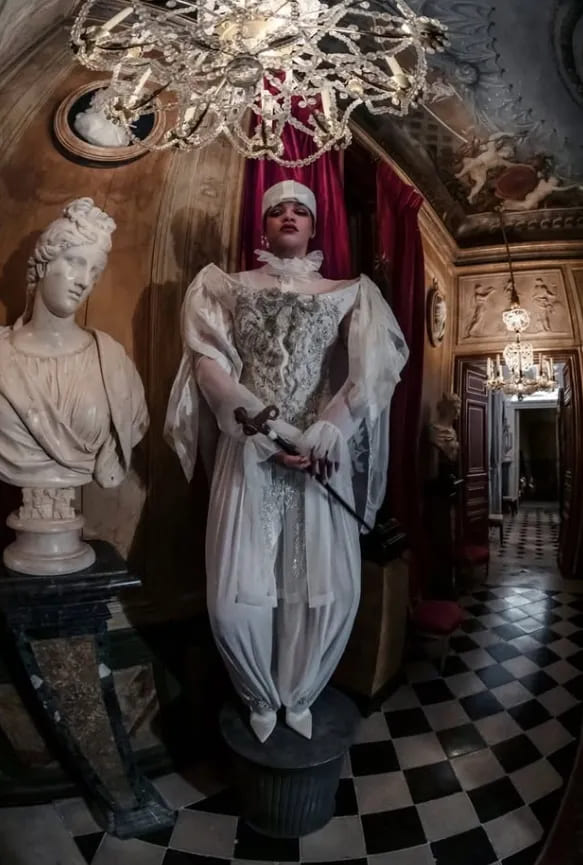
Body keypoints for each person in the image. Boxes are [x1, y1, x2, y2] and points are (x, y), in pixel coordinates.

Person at [165, 180, 408, 742]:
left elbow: (371, 372)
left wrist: (327, 430)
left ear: (315, 225)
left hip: (318, 457)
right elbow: (208, 366)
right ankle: (257, 692)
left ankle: (298, 690)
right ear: (264, 224)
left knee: (321, 588)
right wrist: (265, 430)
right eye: (278, 210)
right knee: (233, 598)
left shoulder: (350, 292)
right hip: (250, 447)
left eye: (301, 210)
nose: (290, 216)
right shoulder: (224, 286)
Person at [0, 197, 148, 493]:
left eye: (95, 272)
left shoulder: (113, 362)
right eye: (75, 262)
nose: (84, 281)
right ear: (43, 264)